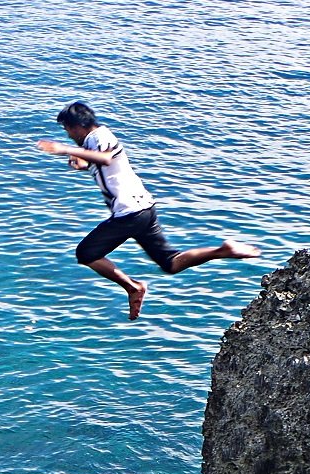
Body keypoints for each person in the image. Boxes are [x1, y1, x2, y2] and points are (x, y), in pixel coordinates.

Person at [35, 101, 260, 319]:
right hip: (143, 209)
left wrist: (64, 149)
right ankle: (223, 251)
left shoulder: (100, 136)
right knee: (171, 263)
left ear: (77, 126)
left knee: (85, 253)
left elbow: (104, 158)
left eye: (68, 130)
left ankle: (133, 287)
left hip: (129, 212)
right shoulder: (92, 142)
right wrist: (78, 160)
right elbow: (97, 162)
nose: (69, 136)